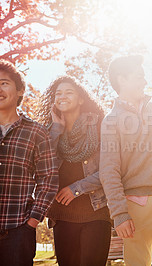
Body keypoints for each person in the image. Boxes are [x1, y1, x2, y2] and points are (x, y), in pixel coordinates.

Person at [100, 55, 152, 266]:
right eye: (139, 77)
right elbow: (109, 170)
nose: (145, 82)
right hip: (134, 202)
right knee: (138, 263)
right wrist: (119, 213)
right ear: (122, 80)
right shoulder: (111, 121)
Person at [37, 76, 111, 266]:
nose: (62, 96)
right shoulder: (48, 132)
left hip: (96, 212)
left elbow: (110, 169)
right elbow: (43, 167)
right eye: (58, 93)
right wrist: (56, 130)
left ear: (81, 99)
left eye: (69, 92)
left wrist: (76, 188)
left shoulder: (100, 126)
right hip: (62, 216)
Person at [0, 59, 58, 265]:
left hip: (18, 230)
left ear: (20, 91)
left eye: (4, 83)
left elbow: (49, 179)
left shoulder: (36, 132)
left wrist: (32, 221)